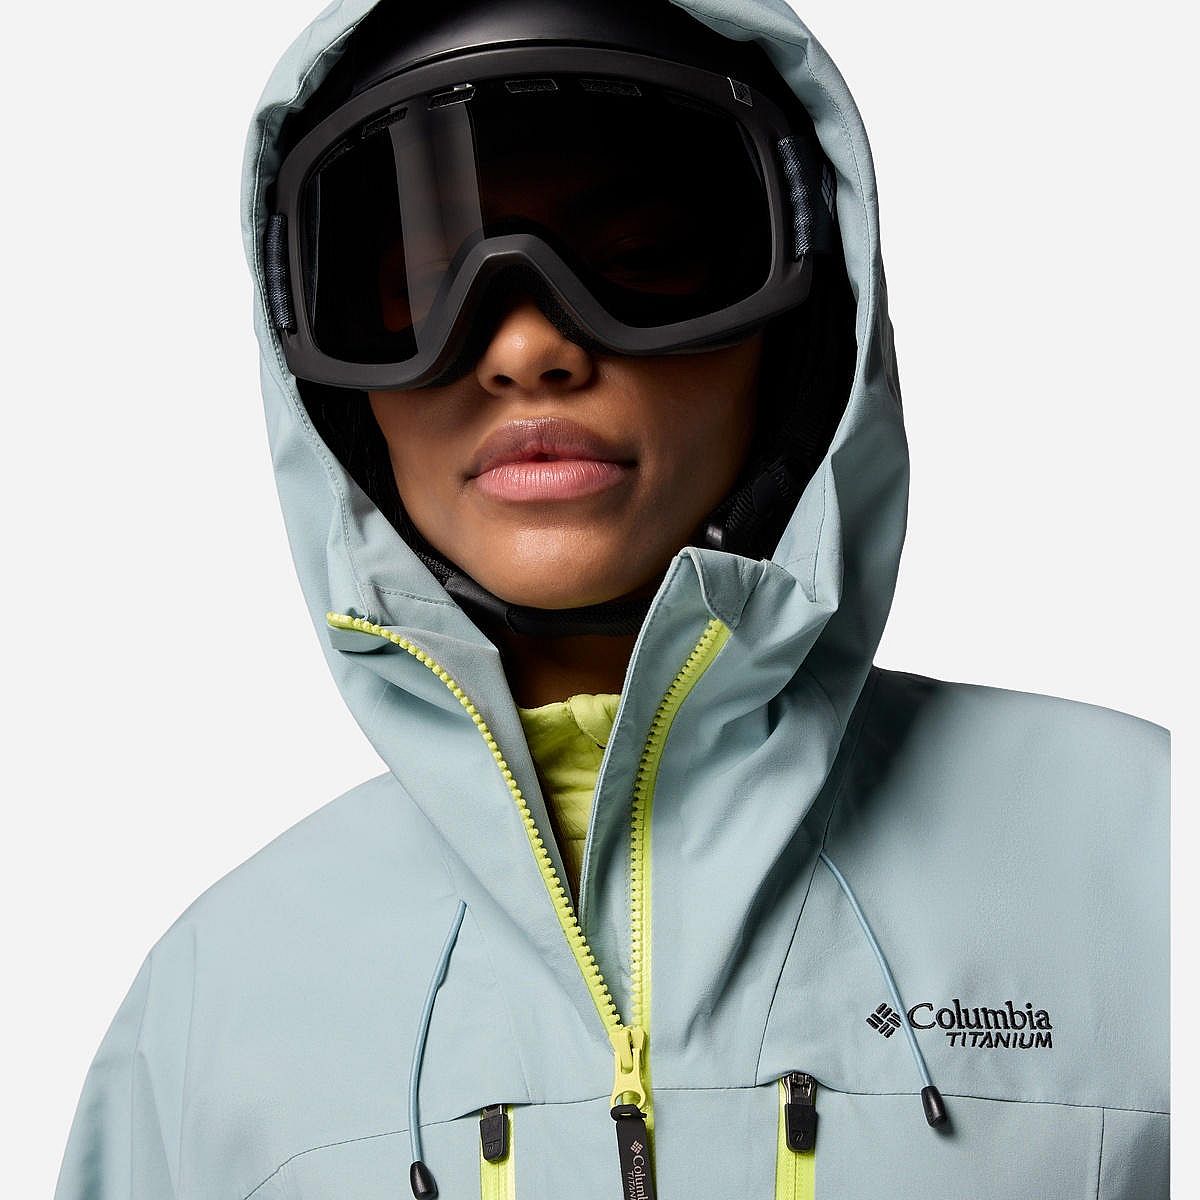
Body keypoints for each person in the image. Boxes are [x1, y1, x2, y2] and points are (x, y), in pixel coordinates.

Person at [53, 0, 1169, 1197]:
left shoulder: (1146, 857)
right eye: (418, 287)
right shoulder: (212, 1006)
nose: (525, 346)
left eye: (640, 263)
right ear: (325, 387)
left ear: (804, 324)